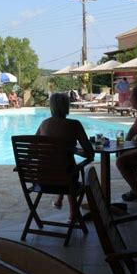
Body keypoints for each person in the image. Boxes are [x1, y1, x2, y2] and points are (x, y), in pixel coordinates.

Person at [35, 93, 94, 221]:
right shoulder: (74, 125)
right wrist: (74, 150)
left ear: (51, 107)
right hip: (65, 179)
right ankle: (73, 214)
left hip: (43, 180)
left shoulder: (44, 124)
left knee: (61, 166)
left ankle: (59, 199)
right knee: (69, 169)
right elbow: (90, 154)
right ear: (67, 107)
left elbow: (32, 149)